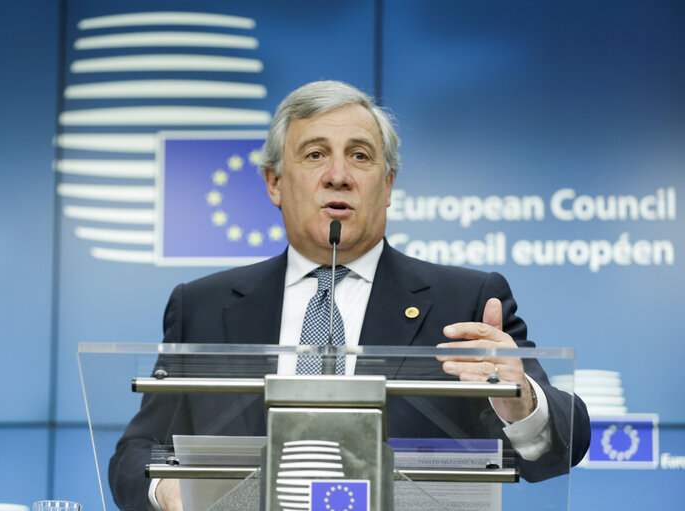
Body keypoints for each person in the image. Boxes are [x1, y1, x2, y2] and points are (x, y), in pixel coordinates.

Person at [109, 80, 591, 511]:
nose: (338, 174)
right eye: (315, 154)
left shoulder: (464, 300)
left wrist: (521, 401)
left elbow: (562, 442)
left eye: (360, 156)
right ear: (274, 183)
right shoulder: (204, 307)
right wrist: (174, 490)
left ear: (387, 185)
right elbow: (137, 451)